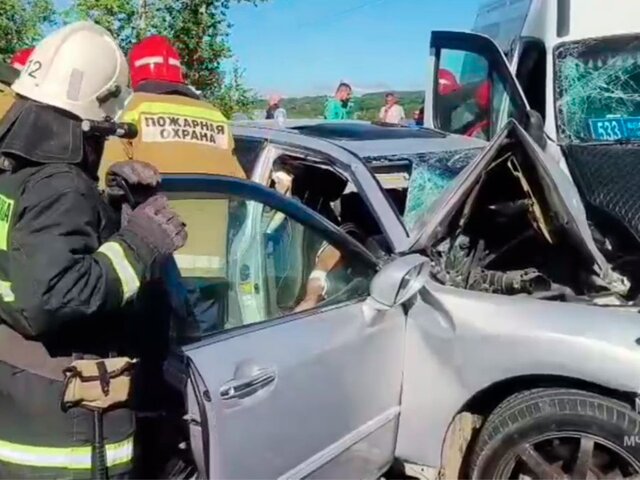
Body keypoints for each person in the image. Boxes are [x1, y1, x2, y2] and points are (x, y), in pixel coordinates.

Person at [0, 21, 187, 479]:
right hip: (64, 436)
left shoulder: (15, 175)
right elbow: (53, 296)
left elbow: (32, 254)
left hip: (20, 397)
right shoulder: (61, 185)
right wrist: (140, 243)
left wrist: (112, 212)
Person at [100, 34, 246, 339]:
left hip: (154, 265)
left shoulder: (131, 112)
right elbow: (239, 189)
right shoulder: (215, 116)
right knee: (205, 353)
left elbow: (106, 184)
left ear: (135, 72)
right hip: (211, 270)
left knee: (155, 357)